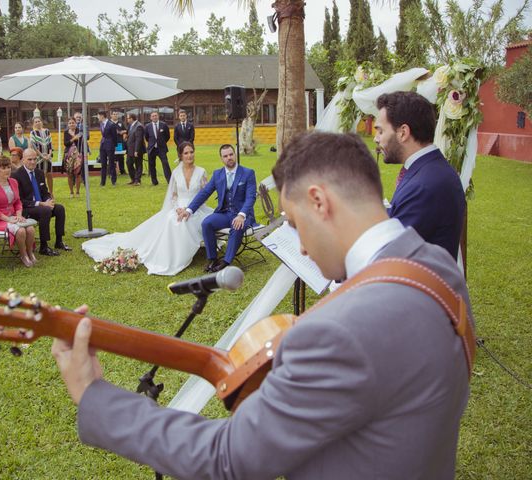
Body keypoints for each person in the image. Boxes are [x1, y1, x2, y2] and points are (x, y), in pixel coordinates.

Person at [53, 132, 474, 480]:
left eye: (294, 224)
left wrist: (94, 395)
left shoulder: (337, 332)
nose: (303, 248)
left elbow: (227, 458)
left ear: (319, 202)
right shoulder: (437, 266)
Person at [83, 142, 212, 275]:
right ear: (180, 155)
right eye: (186, 153)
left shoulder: (201, 172)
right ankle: (171, 254)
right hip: (179, 208)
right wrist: (178, 208)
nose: (189, 155)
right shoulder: (176, 172)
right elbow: (173, 196)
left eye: (191, 152)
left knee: (186, 222)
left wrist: (190, 209)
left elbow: (205, 196)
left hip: (196, 209)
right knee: (172, 220)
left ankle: (183, 254)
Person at [375, 91, 465, 260]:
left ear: (403, 132)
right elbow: (402, 214)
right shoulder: (428, 169)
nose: (376, 139)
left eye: (380, 131)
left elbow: (390, 254)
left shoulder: (425, 186)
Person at [179, 143, 257, 272]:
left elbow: (250, 197)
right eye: (225, 156)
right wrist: (189, 210)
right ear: (221, 158)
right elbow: (204, 193)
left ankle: (226, 261)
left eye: (231, 154)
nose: (229, 158)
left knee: (237, 226)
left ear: (235, 155)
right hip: (225, 213)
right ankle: (212, 258)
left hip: (243, 215)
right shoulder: (217, 174)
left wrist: (241, 215)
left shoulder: (248, 173)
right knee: (207, 223)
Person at [12, 148, 70, 256]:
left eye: (35, 159)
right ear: (23, 160)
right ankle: (44, 246)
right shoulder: (16, 175)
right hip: (26, 208)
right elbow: (20, 200)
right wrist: (41, 204)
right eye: (29, 159)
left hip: (42, 206)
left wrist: (48, 200)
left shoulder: (39, 173)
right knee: (45, 211)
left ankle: (59, 241)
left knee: (59, 208)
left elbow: (45, 192)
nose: (33, 162)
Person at [0, 156, 36, 267]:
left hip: (13, 216)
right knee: (20, 230)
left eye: (8, 167)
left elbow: (17, 202)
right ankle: (23, 255)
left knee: (30, 228)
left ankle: (30, 252)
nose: (7, 170)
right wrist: (8, 220)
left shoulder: (13, 182)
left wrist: (19, 215)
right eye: (3, 168)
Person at [144, 110, 171, 185]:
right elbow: (146, 137)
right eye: (153, 116)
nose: (154, 117)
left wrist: (161, 142)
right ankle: (154, 181)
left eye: (156, 115)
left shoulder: (164, 125)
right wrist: (152, 143)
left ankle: (169, 180)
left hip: (161, 148)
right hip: (152, 148)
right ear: (150, 118)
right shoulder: (147, 126)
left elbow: (167, 136)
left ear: (158, 116)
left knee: (165, 163)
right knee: (152, 165)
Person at [29, 117, 54, 195]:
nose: (37, 123)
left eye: (39, 121)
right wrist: (41, 155)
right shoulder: (33, 133)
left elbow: (50, 144)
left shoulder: (47, 131)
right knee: (40, 175)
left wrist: (49, 154)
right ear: (33, 124)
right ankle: (41, 193)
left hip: (48, 157)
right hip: (39, 158)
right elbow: (34, 146)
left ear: (42, 122)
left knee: (49, 174)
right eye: (35, 122)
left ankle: (51, 192)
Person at [63, 117, 84, 198]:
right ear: (68, 124)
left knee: (78, 173)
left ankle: (78, 192)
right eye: (70, 123)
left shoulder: (79, 131)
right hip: (68, 155)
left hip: (78, 155)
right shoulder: (66, 132)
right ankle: (71, 192)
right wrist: (73, 139)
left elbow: (82, 142)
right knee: (69, 174)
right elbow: (65, 143)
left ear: (76, 123)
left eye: (73, 123)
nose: (71, 124)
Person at [97, 110, 118, 187]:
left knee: (111, 163)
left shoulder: (111, 124)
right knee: (103, 164)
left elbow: (115, 136)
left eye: (98, 116)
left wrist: (114, 146)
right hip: (103, 145)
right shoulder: (101, 124)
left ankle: (113, 181)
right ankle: (103, 182)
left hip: (110, 145)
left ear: (102, 116)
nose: (97, 117)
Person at [125, 113, 145, 186]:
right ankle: (133, 179)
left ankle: (137, 180)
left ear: (132, 118)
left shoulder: (139, 126)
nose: (127, 120)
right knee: (128, 163)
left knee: (138, 164)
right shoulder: (130, 125)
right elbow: (129, 134)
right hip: (130, 149)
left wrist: (136, 150)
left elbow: (138, 139)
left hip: (137, 149)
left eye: (128, 118)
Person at [113, 111, 127, 175]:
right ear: (111, 115)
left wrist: (121, 132)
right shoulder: (109, 123)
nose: (115, 115)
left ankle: (122, 171)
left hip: (119, 143)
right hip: (112, 143)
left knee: (121, 156)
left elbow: (126, 130)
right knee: (113, 157)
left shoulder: (121, 123)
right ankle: (114, 171)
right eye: (114, 114)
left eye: (116, 114)